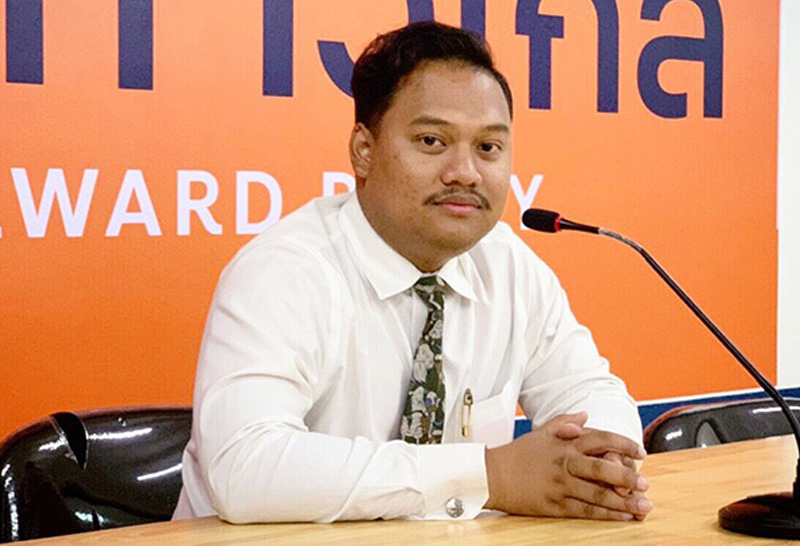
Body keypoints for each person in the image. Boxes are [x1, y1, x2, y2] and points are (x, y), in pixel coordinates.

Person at [173, 21, 652, 523]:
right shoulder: (285, 271)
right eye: (431, 140)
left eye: (488, 148)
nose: (465, 172)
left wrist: (599, 460)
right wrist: (487, 476)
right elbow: (245, 470)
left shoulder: (509, 266)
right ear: (364, 150)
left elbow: (594, 393)